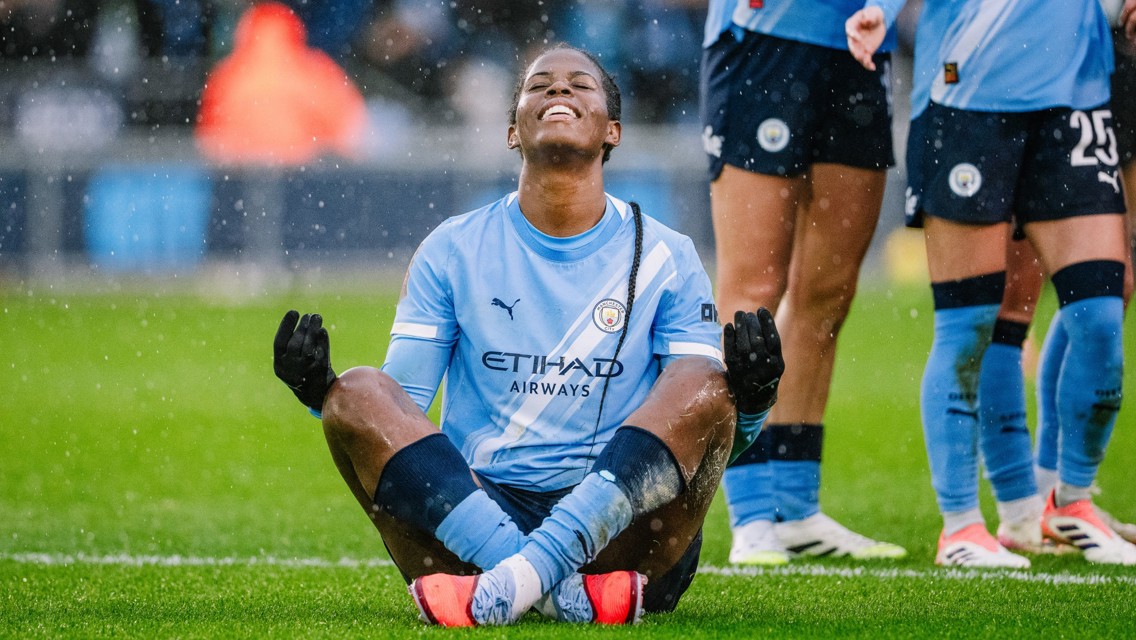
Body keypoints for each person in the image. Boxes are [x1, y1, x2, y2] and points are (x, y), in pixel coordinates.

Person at [273, 45, 785, 626]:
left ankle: (513, 583)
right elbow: (398, 410)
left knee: (704, 379)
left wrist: (752, 398)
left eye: (578, 85)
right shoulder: (453, 247)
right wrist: (322, 395)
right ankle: (551, 588)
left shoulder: (669, 254)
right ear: (513, 131)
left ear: (612, 130)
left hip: (622, 530)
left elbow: (707, 436)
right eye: (540, 85)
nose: (559, 92)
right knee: (359, 389)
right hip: (476, 516)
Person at [848, 0, 1136, 566]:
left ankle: (1070, 501)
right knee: (971, 325)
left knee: (1101, 314)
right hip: (966, 93)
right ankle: (960, 525)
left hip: (1075, 94)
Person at [699, 0, 908, 565]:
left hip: (859, 49)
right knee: (753, 290)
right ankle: (750, 515)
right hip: (765, 42)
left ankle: (796, 509)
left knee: (829, 292)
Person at [194, 2, 367, 166]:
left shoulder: (227, 75)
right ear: (295, 31)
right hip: (303, 177)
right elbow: (352, 128)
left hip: (240, 177)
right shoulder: (315, 70)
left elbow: (207, 138)